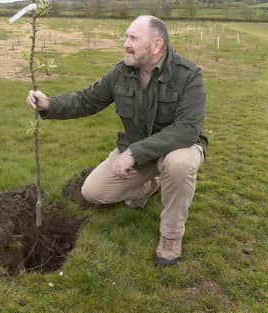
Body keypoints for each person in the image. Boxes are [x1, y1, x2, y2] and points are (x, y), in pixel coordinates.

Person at [26, 15, 208, 267]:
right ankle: (149, 184)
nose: (125, 43)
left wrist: (134, 153)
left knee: (178, 165)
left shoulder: (188, 76)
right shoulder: (120, 73)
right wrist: (49, 104)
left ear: (156, 45)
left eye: (133, 38)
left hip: (177, 149)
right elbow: (86, 100)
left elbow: (187, 129)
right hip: (137, 150)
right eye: (125, 37)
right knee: (93, 192)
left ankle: (170, 237)